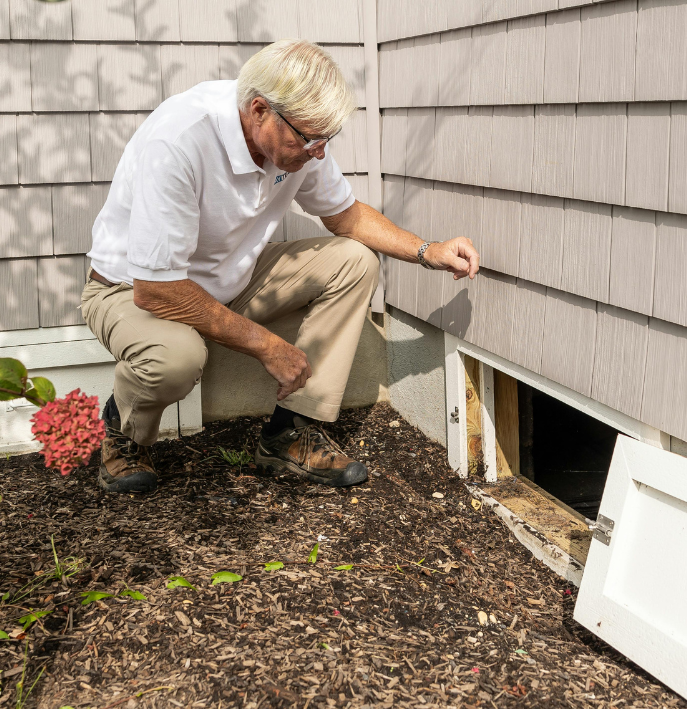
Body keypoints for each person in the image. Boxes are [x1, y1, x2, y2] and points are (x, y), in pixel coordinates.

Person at [81, 39, 480, 494]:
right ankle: (123, 431)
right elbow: (156, 289)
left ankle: (290, 434)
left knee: (353, 260)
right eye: (309, 139)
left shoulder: (297, 141)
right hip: (130, 289)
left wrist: (428, 251)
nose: (319, 153)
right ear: (258, 111)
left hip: (230, 280)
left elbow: (345, 217)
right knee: (176, 359)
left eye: (326, 140)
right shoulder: (180, 140)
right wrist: (269, 346)